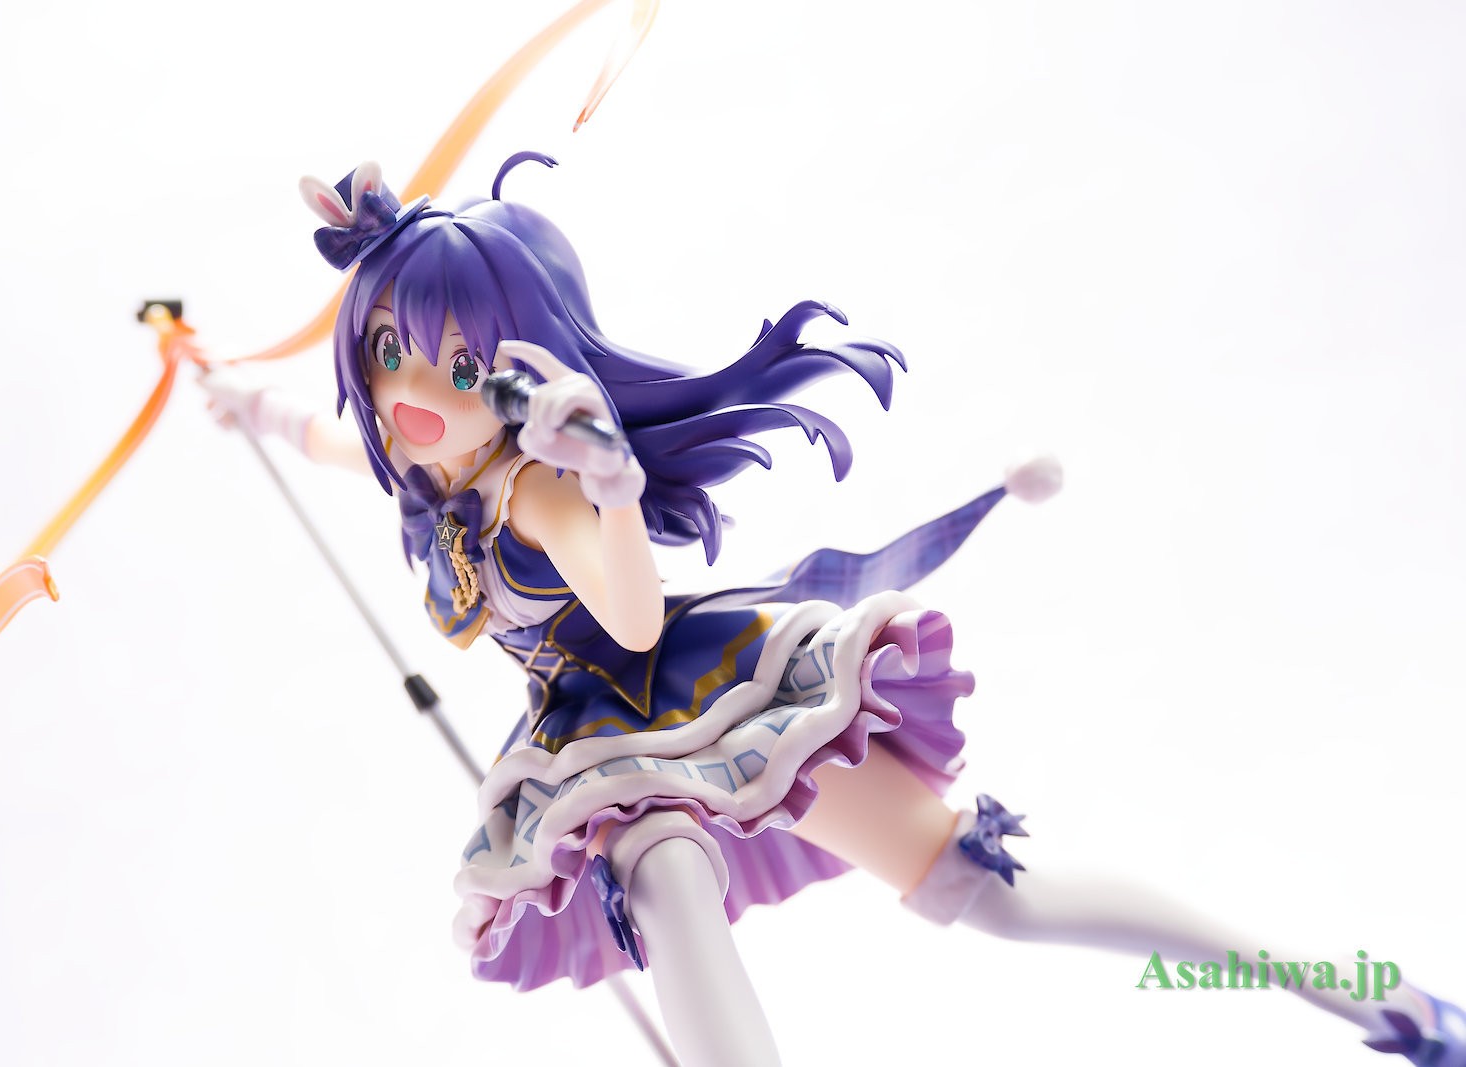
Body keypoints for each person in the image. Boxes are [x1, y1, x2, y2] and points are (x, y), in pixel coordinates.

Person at [204, 152, 1464, 1067]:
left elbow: (631, 620)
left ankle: (1368, 997)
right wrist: (245, 399)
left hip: (700, 698)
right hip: (606, 734)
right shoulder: (443, 485)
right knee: (674, 864)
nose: (414, 394)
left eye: (458, 363)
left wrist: (612, 485)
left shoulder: (536, 488)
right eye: (390, 354)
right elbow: (336, 439)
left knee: (982, 892)